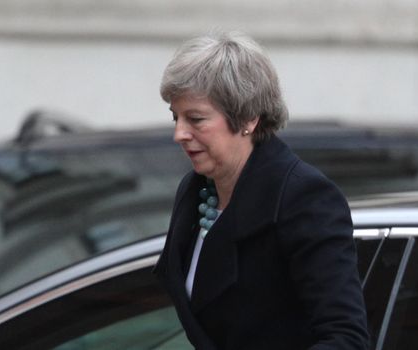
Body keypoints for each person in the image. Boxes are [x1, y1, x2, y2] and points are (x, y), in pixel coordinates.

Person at [153, 30, 369, 350]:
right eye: (176, 118)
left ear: (248, 119)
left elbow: (346, 339)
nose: (179, 134)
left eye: (195, 119)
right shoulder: (196, 190)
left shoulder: (303, 198)